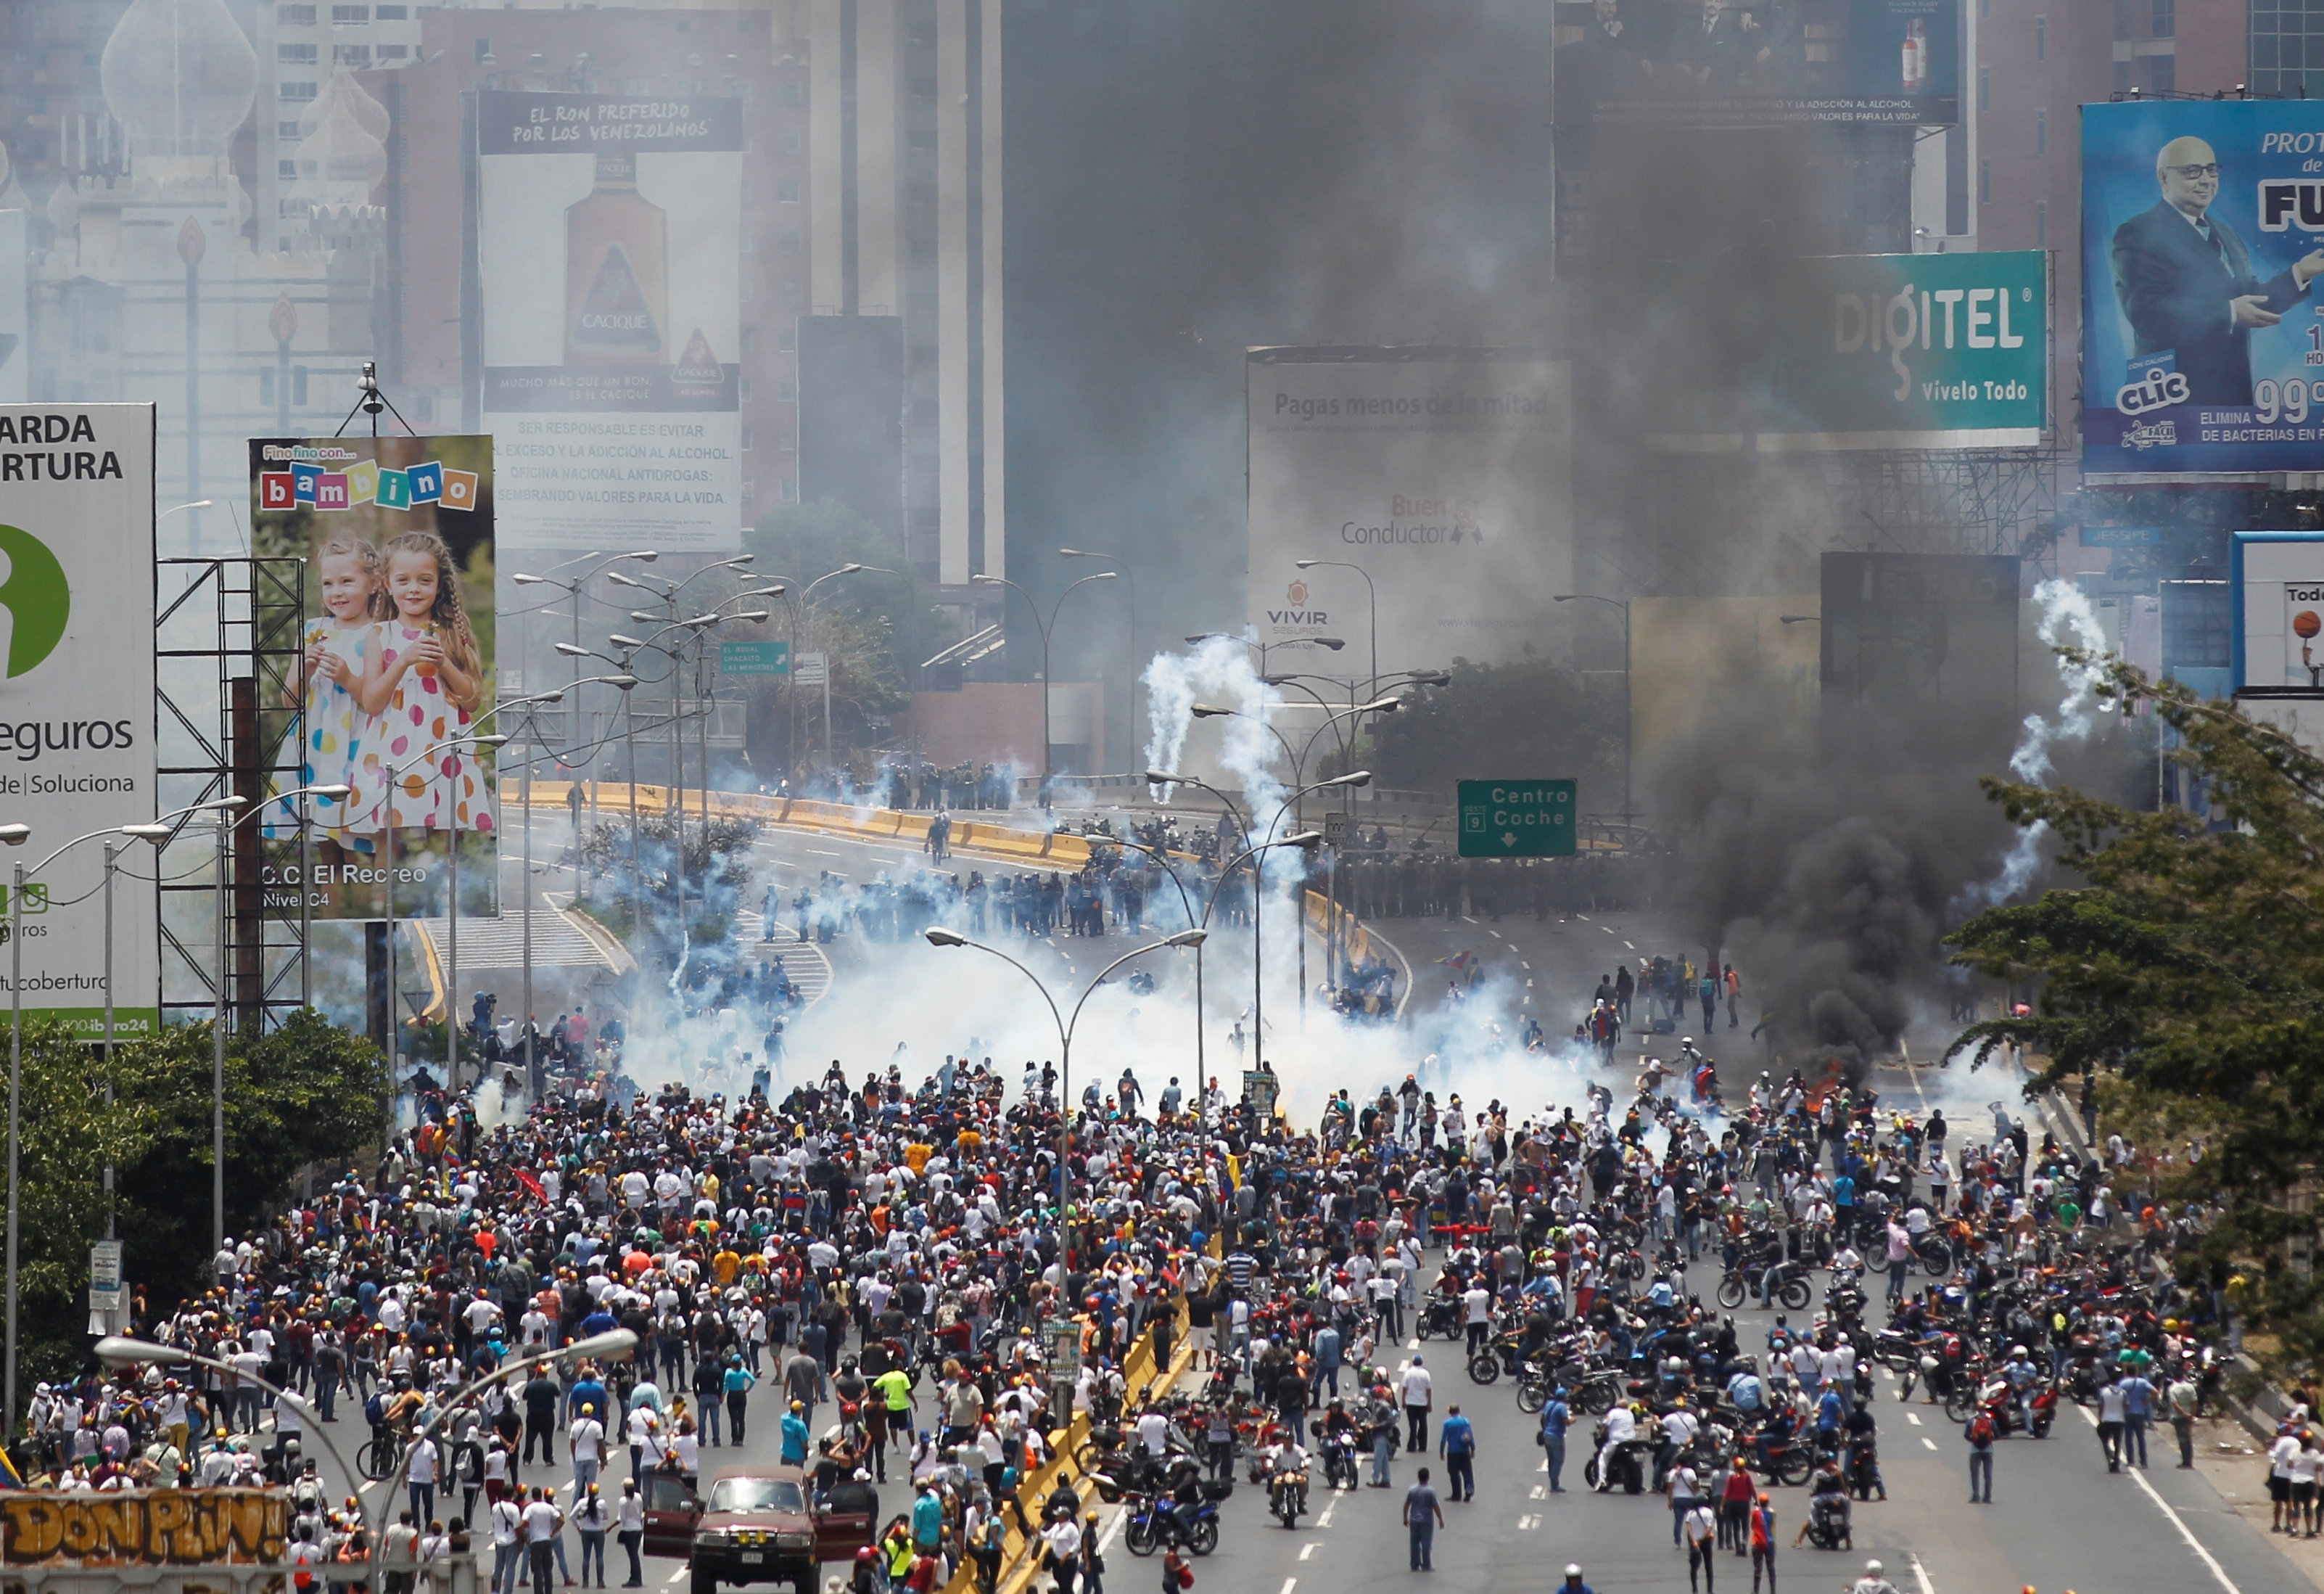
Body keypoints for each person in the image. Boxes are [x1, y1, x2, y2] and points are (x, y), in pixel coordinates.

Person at [2110, 134, 2324, 406]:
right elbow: (2146, 313)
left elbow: (2251, 299)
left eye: (2211, 170)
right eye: (2192, 171)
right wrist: (2230, 312)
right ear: (2164, 178)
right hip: (2177, 400)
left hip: (2233, 398)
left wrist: (2300, 273)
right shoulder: (2138, 232)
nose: (2206, 180)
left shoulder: (2225, 233)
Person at [1403, 1465, 1444, 1572]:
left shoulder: (1412, 1490)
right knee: (1426, 1543)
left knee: (1414, 1542)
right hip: (1427, 1520)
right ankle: (1426, 1564)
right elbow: (1436, 1506)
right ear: (1428, 1477)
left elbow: (1407, 1504)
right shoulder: (1430, 1491)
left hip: (1414, 1519)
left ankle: (1414, 1564)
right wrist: (1440, 1519)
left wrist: (1405, 1517)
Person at [1438, 1404, 1475, 1503]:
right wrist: (1473, 1448)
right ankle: (1469, 1490)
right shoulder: (1465, 1421)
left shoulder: (1447, 1423)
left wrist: (1441, 1451)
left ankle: (1456, 1494)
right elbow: (1469, 1436)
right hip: (1464, 1450)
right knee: (1467, 1472)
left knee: (1454, 1473)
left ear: (1450, 1412)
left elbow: (1443, 1439)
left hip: (1453, 1452)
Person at [1684, 1497, 1720, 1593]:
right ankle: (1710, 1590)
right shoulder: (1708, 1512)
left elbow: (1689, 1528)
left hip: (1694, 1542)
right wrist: (1701, 1540)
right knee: (1708, 1565)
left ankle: (1695, 1589)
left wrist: (1694, 1541)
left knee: (1694, 1566)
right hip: (1705, 1541)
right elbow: (1709, 1528)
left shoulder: (1690, 1513)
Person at [1538, 1388, 1570, 1494]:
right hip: (1556, 1436)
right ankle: (1554, 1484)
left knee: (1551, 1459)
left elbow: (1542, 1418)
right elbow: (1566, 1421)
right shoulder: (1562, 1407)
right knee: (1558, 1460)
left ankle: (1552, 1481)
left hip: (1547, 1435)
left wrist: (1545, 1428)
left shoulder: (1548, 1403)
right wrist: (1572, 1420)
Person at [616, 1480, 644, 1588]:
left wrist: (610, 1527)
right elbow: (641, 1513)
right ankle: (635, 1577)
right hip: (638, 1529)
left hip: (629, 1530)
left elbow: (622, 1518)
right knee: (634, 1555)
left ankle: (635, 1579)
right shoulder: (638, 1497)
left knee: (633, 1556)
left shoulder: (623, 1501)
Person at [1965, 1402, 1995, 1504]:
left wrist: (1975, 1440)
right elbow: (1998, 1433)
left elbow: (1966, 1435)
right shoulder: (1990, 1420)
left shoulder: (1971, 1420)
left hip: (1975, 1450)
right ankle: (1987, 1496)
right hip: (1988, 1450)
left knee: (1975, 1474)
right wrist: (1989, 1440)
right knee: (1988, 1474)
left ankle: (1976, 1496)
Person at [1747, 1492, 1776, 1594]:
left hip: (1758, 1543)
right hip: (1770, 1543)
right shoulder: (1772, 1513)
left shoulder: (1755, 1513)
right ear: (1768, 1502)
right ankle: (1773, 1590)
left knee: (1758, 1570)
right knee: (1771, 1568)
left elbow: (1752, 1526)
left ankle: (1756, 1591)